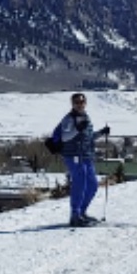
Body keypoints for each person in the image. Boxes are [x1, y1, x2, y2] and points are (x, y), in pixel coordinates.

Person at [47, 92, 110, 227]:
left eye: (82, 102)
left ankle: (82, 212)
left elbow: (88, 137)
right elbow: (65, 137)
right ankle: (75, 216)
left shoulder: (85, 117)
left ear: (85, 103)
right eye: (77, 102)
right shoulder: (69, 119)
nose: (80, 104)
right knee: (79, 184)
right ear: (72, 104)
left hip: (86, 155)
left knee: (92, 185)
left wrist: (101, 132)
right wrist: (77, 130)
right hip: (74, 156)